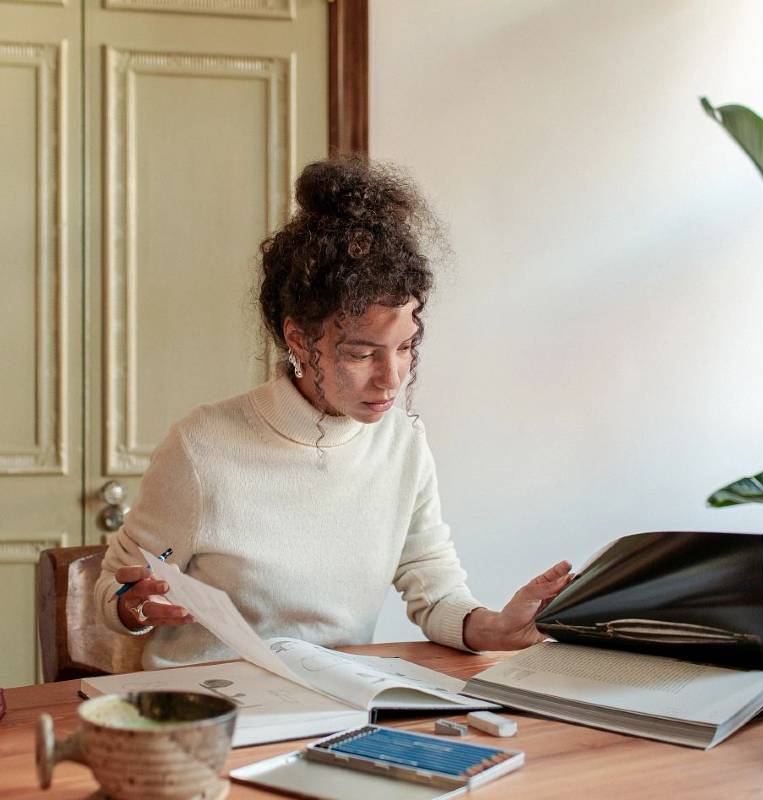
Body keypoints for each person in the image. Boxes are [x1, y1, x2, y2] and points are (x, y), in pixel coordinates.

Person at [95, 156, 572, 669]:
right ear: (300, 339)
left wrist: (497, 628)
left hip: (334, 701)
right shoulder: (202, 447)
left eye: (406, 347)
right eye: (362, 354)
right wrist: (133, 604)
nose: (392, 378)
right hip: (213, 709)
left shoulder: (401, 443)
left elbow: (433, 590)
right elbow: (117, 589)